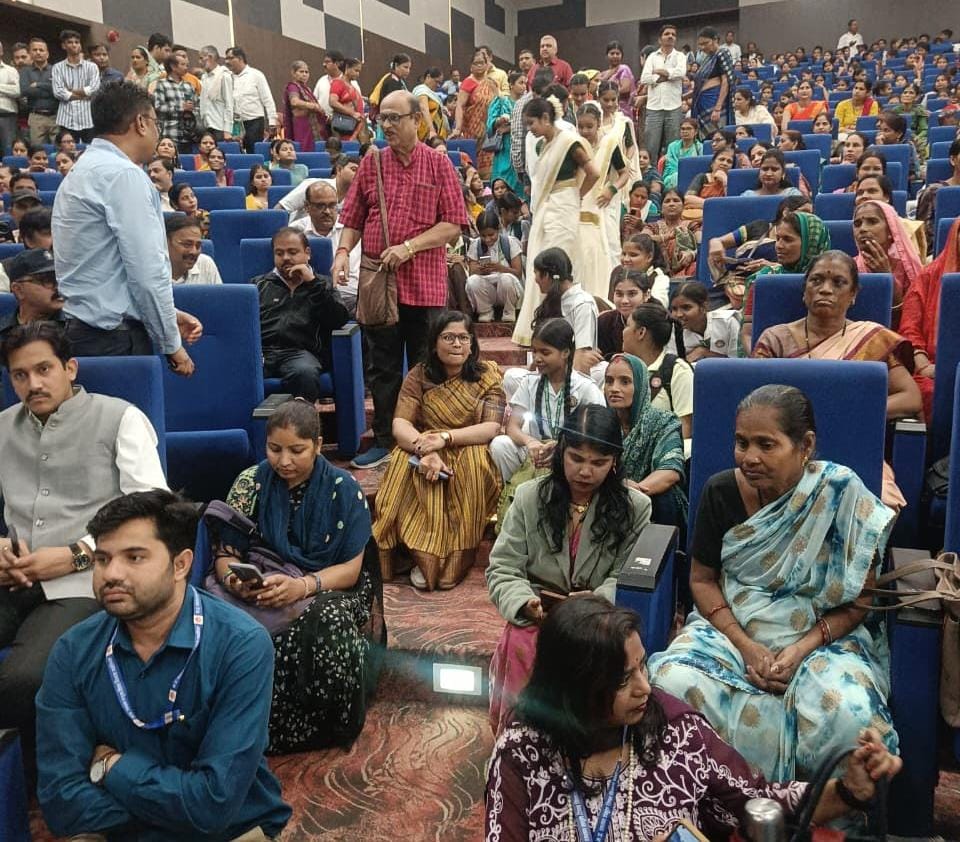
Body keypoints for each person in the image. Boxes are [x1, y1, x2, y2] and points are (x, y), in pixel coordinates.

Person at [650, 381, 906, 783]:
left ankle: (824, 808)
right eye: (741, 443)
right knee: (671, 683)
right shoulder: (720, 491)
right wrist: (747, 646)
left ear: (805, 445)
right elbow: (701, 580)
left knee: (849, 716)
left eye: (766, 445)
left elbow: (860, 600)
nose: (749, 457)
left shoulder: (839, 493)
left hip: (821, 639)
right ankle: (710, 800)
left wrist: (801, 649)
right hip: (732, 630)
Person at [490, 593, 902, 838]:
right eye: (622, 680)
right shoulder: (522, 752)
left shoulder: (676, 733)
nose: (645, 687)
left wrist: (849, 790)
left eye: (642, 666)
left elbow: (761, 802)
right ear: (573, 688)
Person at [35, 489, 292, 840]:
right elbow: (61, 800)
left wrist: (112, 767)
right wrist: (176, 807)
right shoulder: (73, 651)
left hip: (229, 832)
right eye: (103, 559)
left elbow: (213, 804)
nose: (112, 573)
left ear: (181, 565)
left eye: (134, 557)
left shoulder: (240, 645)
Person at [0, 322, 168, 783]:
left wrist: (78, 554)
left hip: (86, 579)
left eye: (44, 369)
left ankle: (28, 781)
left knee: (24, 679)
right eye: (20, 375)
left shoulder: (119, 417)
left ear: (69, 368)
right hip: (14, 576)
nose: (33, 384)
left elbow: (154, 511)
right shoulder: (2, 427)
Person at [207, 399, 379, 751]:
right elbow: (226, 555)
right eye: (274, 449)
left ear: (318, 445)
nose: (284, 461)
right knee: (206, 612)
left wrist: (300, 587)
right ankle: (240, 721)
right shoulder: (251, 482)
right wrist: (236, 582)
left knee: (328, 620)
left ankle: (314, 728)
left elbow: (350, 571)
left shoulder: (343, 488)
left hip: (327, 583)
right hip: (263, 580)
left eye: (297, 451)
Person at [486, 404, 651, 734]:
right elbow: (503, 567)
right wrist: (524, 603)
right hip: (540, 617)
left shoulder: (636, 508)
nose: (585, 472)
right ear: (561, 451)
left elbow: (624, 577)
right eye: (576, 458)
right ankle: (522, 739)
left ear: (615, 461)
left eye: (599, 463)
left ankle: (584, 742)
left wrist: (593, 603)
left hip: (601, 620)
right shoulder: (530, 497)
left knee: (598, 654)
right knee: (521, 640)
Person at [335, 90, 467, 469]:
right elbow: (353, 218)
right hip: (381, 286)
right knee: (384, 366)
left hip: (425, 285)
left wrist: (409, 247)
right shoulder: (372, 163)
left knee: (429, 364)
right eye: (383, 119)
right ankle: (385, 439)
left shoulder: (438, 164)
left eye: (395, 118)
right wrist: (342, 252)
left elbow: (453, 225)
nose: (388, 126)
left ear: (417, 120)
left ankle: (428, 436)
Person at [52, 81, 194, 372]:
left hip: (86, 331)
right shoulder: (123, 175)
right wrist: (172, 343)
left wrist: (168, 315)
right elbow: (146, 272)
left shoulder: (84, 168)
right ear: (141, 123)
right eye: (156, 122)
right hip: (114, 339)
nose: (157, 132)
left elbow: (108, 270)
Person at [373, 310, 505, 591]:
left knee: (473, 465)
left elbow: (491, 427)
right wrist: (424, 450)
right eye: (448, 337)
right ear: (434, 343)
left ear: (472, 344)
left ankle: (452, 561)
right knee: (401, 464)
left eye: (463, 338)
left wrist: (445, 438)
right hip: (423, 443)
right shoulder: (418, 375)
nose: (457, 344)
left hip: (466, 443)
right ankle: (418, 555)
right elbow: (400, 424)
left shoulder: (487, 376)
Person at [752, 252, 922, 429]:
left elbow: (910, 397)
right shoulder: (775, 340)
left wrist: (847, 413)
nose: (825, 289)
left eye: (838, 282)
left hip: (851, 431)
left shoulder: (873, 339)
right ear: (804, 290)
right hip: (786, 436)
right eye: (816, 280)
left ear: (853, 294)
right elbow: (754, 399)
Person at [491, 317, 604, 488]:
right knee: (500, 445)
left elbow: (596, 433)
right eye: (534, 351)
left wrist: (562, 448)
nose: (537, 358)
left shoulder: (585, 387)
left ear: (565, 353)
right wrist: (530, 442)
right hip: (536, 452)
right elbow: (512, 427)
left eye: (545, 352)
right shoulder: (529, 382)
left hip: (572, 453)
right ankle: (511, 493)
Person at [250, 228, 349, 402]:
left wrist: (312, 283)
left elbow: (338, 319)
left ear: (307, 253)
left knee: (304, 373)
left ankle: (302, 419)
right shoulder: (257, 285)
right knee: (238, 370)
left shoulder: (323, 284)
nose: (286, 258)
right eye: (279, 253)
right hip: (263, 353)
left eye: (292, 252)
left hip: (301, 353)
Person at [605, 353, 687, 530]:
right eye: (609, 381)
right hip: (609, 495)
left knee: (666, 497)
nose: (614, 388)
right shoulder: (600, 422)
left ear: (641, 385)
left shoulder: (664, 421)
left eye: (625, 382)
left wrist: (633, 492)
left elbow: (670, 470)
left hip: (651, 502)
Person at [740, 210, 832, 353]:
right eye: (778, 238)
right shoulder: (763, 280)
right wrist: (761, 361)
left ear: (811, 243)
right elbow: (748, 334)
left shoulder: (833, 283)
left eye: (787, 239)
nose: (779, 245)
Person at [901, 216, 959, 423]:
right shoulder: (928, 276)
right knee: (927, 391)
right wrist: (923, 363)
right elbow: (910, 327)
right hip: (932, 369)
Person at [623, 301, 694, 448]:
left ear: (641, 332)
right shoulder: (620, 368)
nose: (622, 332)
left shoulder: (678, 371)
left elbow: (684, 429)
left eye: (627, 326)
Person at [290, 180, 359, 316]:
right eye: (320, 206)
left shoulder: (352, 230)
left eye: (332, 205)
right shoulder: (295, 232)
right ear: (307, 207)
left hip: (351, 296)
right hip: (312, 296)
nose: (327, 211)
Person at [852, 200, 923, 327]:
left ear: (891, 231)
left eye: (872, 221)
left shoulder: (907, 269)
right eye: (857, 224)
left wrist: (887, 277)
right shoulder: (848, 267)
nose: (862, 229)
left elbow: (912, 320)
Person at [465, 206, 522, 323]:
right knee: (472, 281)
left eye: (491, 235)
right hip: (487, 290)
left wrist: (500, 268)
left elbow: (518, 274)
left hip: (507, 290)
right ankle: (485, 311)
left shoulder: (509, 242)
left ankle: (509, 310)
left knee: (506, 279)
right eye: (483, 236)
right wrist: (481, 270)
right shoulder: (475, 244)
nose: (487, 239)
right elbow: (472, 273)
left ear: (498, 229)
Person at [639, 25, 686, 161]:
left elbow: (681, 73)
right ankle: (651, 172)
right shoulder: (652, 57)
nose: (670, 36)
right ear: (660, 39)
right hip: (654, 107)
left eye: (673, 34)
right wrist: (665, 77)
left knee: (673, 147)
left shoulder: (680, 56)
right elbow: (644, 78)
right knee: (651, 147)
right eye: (667, 34)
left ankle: (672, 172)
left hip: (674, 107)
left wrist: (660, 72)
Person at [451, 49, 499, 180]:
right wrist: (458, 128)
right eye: (476, 63)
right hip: (471, 132)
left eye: (482, 63)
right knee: (472, 168)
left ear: (487, 64)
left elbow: (498, 103)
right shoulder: (468, 82)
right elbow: (460, 106)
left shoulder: (492, 83)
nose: (479, 66)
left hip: (489, 133)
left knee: (489, 170)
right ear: (471, 66)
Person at [0, 248, 64, 338]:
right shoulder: (3, 332)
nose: (57, 286)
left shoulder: (78, 328)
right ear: (18, 290)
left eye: (59, 279)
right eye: (47, 280)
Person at [671, 281, 740, 362]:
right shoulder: (673, 331)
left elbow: (738, 363)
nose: (678, 314)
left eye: (686, 308)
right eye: (674, 309)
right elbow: (672, 364)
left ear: (704, 307)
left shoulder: (727, 322)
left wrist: (704, 352)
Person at [50, 30, 99, 144]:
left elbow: (94, 88)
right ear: (64, 46)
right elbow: (58, 92)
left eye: (77, 42)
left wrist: (70, 91)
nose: (74, 45)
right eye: (70, 42)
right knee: (68, 150)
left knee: (90, 149)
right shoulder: (57, 67)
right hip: (66, 119)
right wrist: (84, 94)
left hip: (87, 118)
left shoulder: (92, 67)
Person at [225, 46, 277, 153]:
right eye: (226, 59)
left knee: (252, 151)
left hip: (254, 121)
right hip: (235, 123)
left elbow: (267, 100)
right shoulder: (227, 77)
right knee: (236, 152)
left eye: (230, 58)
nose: (227, 62)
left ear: (240, 58)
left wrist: (272, 122)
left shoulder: (256, 75)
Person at [691, 27, 736, 139]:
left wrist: (717, 108)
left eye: (705, 43)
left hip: (714, 102)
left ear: (715, 40)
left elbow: (726, 81)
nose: (702, 47)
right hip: (702, 103)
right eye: (700, 44)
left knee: (717, 136)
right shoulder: (707, 58)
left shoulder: (722, 53)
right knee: (705, 138)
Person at [486, 70, 525, 196]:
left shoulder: (527, 103)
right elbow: (490, 125)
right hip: (504, 148)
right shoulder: (501, 101)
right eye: (520, 83)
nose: (524, 86)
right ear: (511, 85)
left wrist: (510, 128)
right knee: (503, 181)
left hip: (521, 146)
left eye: (525, 83)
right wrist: (500, 121)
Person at [642, 188, 697, 278]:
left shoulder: (692, 226)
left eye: (676, 200)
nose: (671, 204)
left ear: (683, 206)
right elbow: (642, 239)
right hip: (656, 273)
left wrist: (692, 254)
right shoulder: (653, 227)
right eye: (667, 201)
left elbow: (703, 245)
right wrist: (667, 237)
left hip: (685, 272)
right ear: (661, 208)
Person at [153, 52, 199, 154]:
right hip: (169, 134)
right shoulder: (162, 84)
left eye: (187, 65)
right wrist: (181, 108)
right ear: (173, 66)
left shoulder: (189, 86)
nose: (186, 68)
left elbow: (197, 106)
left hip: (187, 136)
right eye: (183, 65)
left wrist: (192, 111)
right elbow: (158, 107)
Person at [19, 37, 57, 145]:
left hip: (55, 116)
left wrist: (38, 85)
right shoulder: (25, 71)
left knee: (58, 149)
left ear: (47, 54)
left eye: (41, 50)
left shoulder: (56, 69)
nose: (38, 52)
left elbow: (58, 91)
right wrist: (49, 89)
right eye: (35, 50)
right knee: (36, 149)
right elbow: (25, 91)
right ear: (30, 53)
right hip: (36, 116)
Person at [165, 215, 221, 286]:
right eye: (187, 244)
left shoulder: (206, 264)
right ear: (166, 243)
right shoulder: (152, 269)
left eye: (198, 246)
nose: (194, 252)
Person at [617, 232, 670, 307]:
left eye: (633, 255)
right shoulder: (617, 273)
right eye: (624, 254)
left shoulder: (659, 277)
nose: (626, 259)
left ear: (649, 257)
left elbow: (658, 307)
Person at [283, 60, 324, 151]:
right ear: (293, 73)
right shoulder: (293, 87)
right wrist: (313, 106)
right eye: (301, 71)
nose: (304, 74)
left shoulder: (307, 89)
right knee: (304, 149)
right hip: (302, 126)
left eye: (306, 72)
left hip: (312, 127)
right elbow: (294, 102)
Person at [197, 46, 234, 142]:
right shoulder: (204, 77)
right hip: (206, 125)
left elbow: (229, 104)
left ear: (210, 57)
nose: (199, 62)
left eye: (201, 58)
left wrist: (227, 130)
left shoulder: (224, 75)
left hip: (219, 126)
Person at [684, 147, 734, 213]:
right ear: (712, 164)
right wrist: (714, 206)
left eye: (729, 161)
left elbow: (731, 206)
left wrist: (725, 182)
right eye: (721, 159)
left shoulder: (733, 181)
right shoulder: (702, 177)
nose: (725, 163)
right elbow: (687, 199)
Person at [328, 57, 365, 140]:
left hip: (355, 126)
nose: (358, 74)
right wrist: (352, 113)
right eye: (356, 70)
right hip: (344, 127)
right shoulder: (338, 83)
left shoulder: (352, 86)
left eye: (359, 71)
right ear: (347, 68)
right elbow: (332, 102)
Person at [661, 118, 702, 191]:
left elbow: (699, 168)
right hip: (671, 177)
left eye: (689, 129)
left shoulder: (700, 147)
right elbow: (670, 166)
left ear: (695, 132)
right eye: (683, 129)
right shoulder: (672, 146)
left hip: (692, 178)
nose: (685, 131)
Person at [598, 40, 635, 117]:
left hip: (622, 111)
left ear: (622, 56)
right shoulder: (604, 73)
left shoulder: (624, 69)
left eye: (617, 53)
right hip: (606, 110)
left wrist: (608, 94)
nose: (615, 56)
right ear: (606, 56)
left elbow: (626, 88)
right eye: (612, 53)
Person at [413, 67, 448, 142]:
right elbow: (424, 109)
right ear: (428, 77)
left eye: (440, 83)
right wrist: (431, 130)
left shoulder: (431, 93)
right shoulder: (422, 91)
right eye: (436, 82)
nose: (438, 85)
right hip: (427, 133)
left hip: (437, 132)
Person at [0, 42, 19, 156]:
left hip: (7, 117)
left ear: (1, 51)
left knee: (8, 151)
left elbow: (17, 91)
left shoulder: (10, 70)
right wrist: (6, 88)